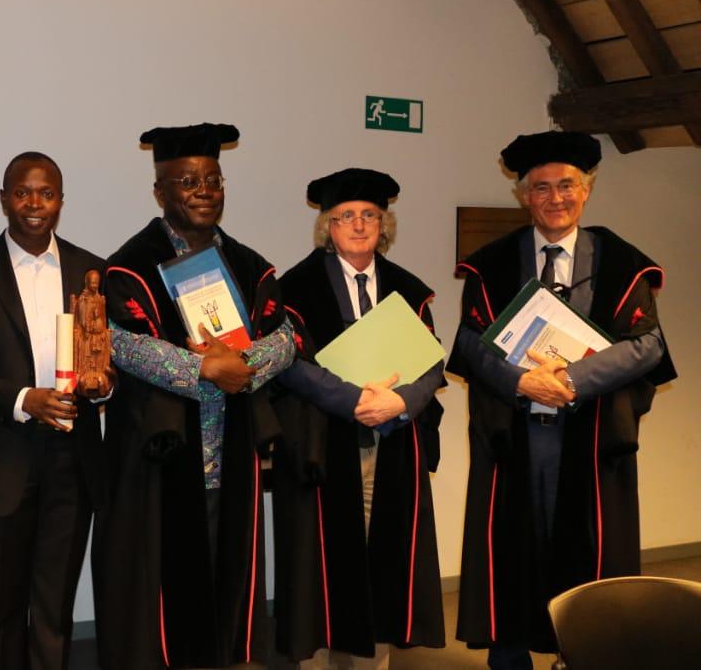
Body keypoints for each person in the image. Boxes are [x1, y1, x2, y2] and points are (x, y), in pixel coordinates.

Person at [449, 131, 675, 668]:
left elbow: (647, 345)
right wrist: (521, 382)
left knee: (588, 556)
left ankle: (584, 654)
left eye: (567, 186)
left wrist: (572, 379)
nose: (556, 198)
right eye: (542, 188)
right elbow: (470, 343)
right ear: (524, 196)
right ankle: (510, 659)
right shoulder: (492, 265)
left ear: (587, 190)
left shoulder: (622, 263)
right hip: (515, 437)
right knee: (512, 553)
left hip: (591, 440)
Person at [95, 122, 298, 669]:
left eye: (213, 180)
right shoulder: (129, 265)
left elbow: (286, 339)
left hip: (232, 450)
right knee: (159, 592)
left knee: (226, 578)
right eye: (187, 181)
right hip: (159, 455)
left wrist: (240, 366)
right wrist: (203, 368)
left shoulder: (251, 265)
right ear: (159, 191)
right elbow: (121, 343)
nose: (204, 191)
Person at [271, 168, 446, 668]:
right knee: (317, 564)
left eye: (369, 214)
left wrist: (402, 402)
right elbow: (290, 364)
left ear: (384, 225)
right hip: (321, 445)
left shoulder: (407, 289)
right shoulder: (294, 289)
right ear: (327, 226)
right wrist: (353, 400)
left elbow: (432, 361)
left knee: (382, 561)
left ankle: (374, 662)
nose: (359, 224)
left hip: (391, 443)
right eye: (346, 215)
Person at [0, 151, 111, 670]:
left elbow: (107, 357)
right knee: (0, 610)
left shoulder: (92, 271)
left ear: (61, 200)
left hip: (73, 457)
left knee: (54, 607)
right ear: (4, 200)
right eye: (22, 193)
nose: (34, 204)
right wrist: (23, 400)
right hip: (4, 457)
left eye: (46, 193)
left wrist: (103, 386)